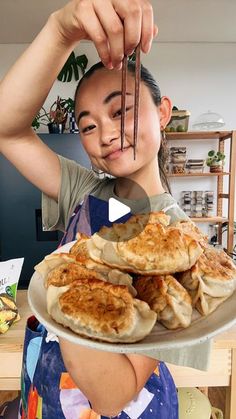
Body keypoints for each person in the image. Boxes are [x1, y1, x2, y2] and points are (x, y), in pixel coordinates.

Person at [0, 1, 189, 417]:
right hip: (43, 396)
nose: (105, 133)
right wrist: (59, 30)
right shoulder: (86, 192)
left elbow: (113, 395)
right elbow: (7, 129)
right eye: (87, 125)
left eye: (121, 110)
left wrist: (70, 287)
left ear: (163, 112)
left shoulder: (185, 251)